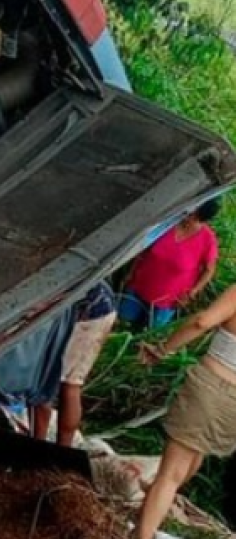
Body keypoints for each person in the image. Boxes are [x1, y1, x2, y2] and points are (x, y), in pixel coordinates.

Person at [134, 284, 236, 539]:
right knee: (192, 455)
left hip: (212, 385)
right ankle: (143, 523)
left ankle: (142, 535)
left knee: (169, 475)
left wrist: (162, 349)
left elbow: (202, 322)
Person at [32, 281, 118, 446]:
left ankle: (38, 444)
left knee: (43, 381)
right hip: (102, 304)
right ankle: (63, 447)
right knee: (71, 384)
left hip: (81, 305)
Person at [119, 200, 221, 331]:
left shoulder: (208, 240)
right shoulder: (168, 223)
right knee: (123, 324)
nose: (187, 216)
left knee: (149, 332)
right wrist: (131, 272)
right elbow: (144, 249)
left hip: (168, 300)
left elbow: (209, 270)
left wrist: (193, 292)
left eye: (192, 214)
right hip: (139, 285)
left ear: (198, 216)